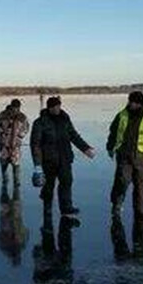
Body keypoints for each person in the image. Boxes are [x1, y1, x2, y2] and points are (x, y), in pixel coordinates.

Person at [106, 91, 143, 252]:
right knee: (122, 181)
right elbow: (113, 132)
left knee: (141, 186)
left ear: (139, 102)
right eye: (129, 101)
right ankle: (116, 205)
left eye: (133, 102)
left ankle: (141, 212)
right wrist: (110, 147)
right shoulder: (122, 114)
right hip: (124, 156)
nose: (130, 104)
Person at [30, 96, 96, 227]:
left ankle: (66, 208)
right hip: (49, 160)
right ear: (49, 108)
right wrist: (37, 165)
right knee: (49, 186)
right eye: (53, 107)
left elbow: (73, 135)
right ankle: (47, 207)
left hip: (65, 158)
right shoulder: (40, 122)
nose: (56, 109)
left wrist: (86, 148)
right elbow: (35, 144)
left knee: (66, 182)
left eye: (58, 106)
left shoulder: (65, 119)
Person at [0, 99, 30, 186]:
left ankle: (16, 180)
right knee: (3, 160)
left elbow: (26, 128)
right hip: (4, 143)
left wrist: (21, 135)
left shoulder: (22, 117)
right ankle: (5, 178)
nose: (15, 110)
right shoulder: (3, 115)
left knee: (15, 162)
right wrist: (1, 131)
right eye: (14, 108)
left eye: (17, 108)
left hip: (16, 144)